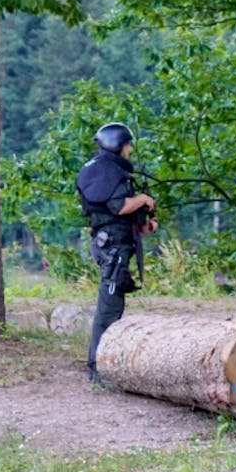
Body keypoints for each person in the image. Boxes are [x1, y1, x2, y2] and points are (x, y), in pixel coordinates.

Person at [76, 123, 158, 386]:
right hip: (113, 249)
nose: (130, 149)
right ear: (118, 144)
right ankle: (96, 368)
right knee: (108, 308)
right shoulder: (110, 172)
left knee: (114, 305)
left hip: (113, 244)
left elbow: (116, 214)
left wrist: (144, 225)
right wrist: (144, 199)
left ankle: (105, 364)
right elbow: (119, 206)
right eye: (128, 144)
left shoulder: (103, 171)